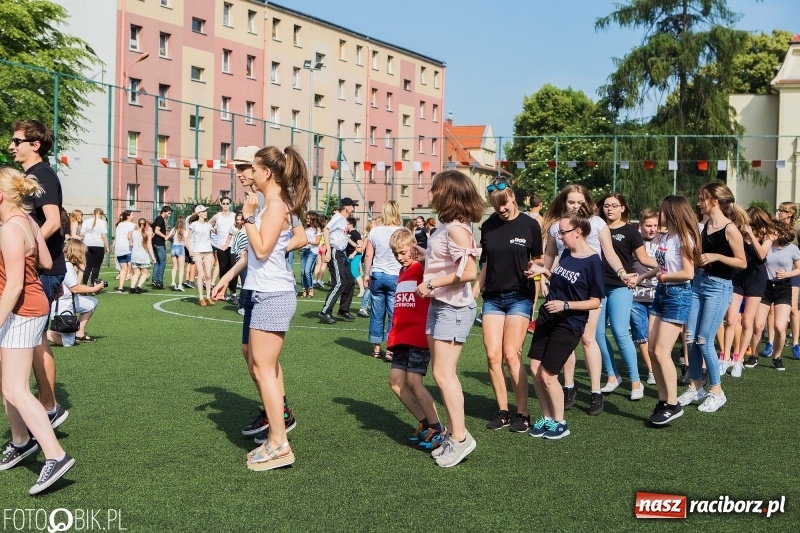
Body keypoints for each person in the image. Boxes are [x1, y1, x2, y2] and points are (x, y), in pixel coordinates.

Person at [215, 145, 309, 471]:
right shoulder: (273, 205)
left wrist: (250, 217)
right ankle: (277, 436)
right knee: (259, 366)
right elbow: (259, 253)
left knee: (263, 369)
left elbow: (264, 248)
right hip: (263, 293)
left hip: (272, 295)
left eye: (252, 169)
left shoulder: (273, 207)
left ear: (266, 173)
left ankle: (280, 443)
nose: (249, 175)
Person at [0, 167, 75, 494]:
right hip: (31, 308)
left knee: (15, 388)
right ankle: (20, 441)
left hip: (21, 311)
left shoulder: (10, 229)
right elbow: (46, 260)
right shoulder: (27, 221)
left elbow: (15, 284)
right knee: (7, 384)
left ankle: (55, 455)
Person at [541, 185, 635, 416]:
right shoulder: (557, 227)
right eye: (570, 202)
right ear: (564, 203)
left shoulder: (597, 223)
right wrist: (543, 276)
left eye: (579, 201)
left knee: (588, 338)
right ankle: (569, 386)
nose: (575, 206)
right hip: (562, 287)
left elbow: (609, 252)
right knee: (564, 338)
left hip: (588, 288)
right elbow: (550, 255)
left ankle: (595, 392)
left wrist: (622, 272)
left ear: (587, 202)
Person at [416, 170, 483, 468]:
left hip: (453, 307)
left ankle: (459, 438)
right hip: (441, 306)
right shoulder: (446, 226)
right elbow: (448, 264)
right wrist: (422, 256)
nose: (430, 194)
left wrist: (431, 283)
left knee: (444, 375)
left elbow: (468, 272)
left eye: (434, 189)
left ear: (448, 193)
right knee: (441, 374)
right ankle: (456, 437)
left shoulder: (457, 228)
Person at [9, 120, 69, 428]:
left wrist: (26, 249)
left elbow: (52, 222)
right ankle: (45, 405)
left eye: (17, 140)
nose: (11, 146)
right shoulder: (30, 176)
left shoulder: (42, 174)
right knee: (34, 340)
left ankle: (48, 406)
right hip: (43, 267)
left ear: (35, 145)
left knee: (31, 340)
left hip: (42, 268)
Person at [525, 205, 604, 439]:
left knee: (549, 375)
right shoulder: (567, 254)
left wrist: (566, 306)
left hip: (569, 323)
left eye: (563, 232)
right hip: (548, 316)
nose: (559, 237)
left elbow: (595, 301)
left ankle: (560, 422)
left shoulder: (593, 262)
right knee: (534, 368)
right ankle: (547, 417)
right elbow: (562, 281)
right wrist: (543, 272)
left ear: (578, 231)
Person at [472, 178, 542, 432]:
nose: (501, 208)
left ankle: (522, 413)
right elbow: (486, 263)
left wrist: (535, 284)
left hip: (519, 296)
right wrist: (475, 289)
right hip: (492, 297)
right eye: (496, 204)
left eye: (504, 203)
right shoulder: (488, 226)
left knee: (512, 355)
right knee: (492, 356)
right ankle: (503, 411)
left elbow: (538, 260)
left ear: (513, 197)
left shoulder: (530, 225)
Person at [678, 183, 746, 414]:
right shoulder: (705, 225)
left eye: (701, 198)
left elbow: (742, 262)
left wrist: (716, 255)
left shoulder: (730, 229)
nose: (698, 203)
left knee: (704, 341)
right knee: (690, 338)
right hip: (699, 283)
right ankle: (696, 386)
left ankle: (717, 392)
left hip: (719, 288)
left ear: (713, 201)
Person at [636, 195, 701, 424]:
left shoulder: (684, 238)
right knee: (652, 350)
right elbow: (661, 267)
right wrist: (642, 277)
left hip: (678, 294)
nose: (659, 213)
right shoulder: (666, 236)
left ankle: (673, 404)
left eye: (662, 210)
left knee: (662, 352)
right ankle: (663, 401)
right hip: (662, 293)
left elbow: (688, 273)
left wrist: (664, 276)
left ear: (672, 211)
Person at [386, 228, 445, 451]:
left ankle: (438, 428)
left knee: (414, 381)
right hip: (401, 336)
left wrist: (426, 256)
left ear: (414, 248)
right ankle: (424, 422)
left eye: (403, 252)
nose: (400, 257)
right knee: (395, 381)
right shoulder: (402, 272)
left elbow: (439, 270)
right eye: (396, 254)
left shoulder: (422, 268)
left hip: (419, 335)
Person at [596, 194, 656, 400]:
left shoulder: (630, 230)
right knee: (597, 336)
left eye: (614, 206)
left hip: (620, 286)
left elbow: (643, 258)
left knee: (621, 332)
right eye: (606, 206)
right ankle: (612, 376)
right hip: (597, 287)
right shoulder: (596, 227)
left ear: (622, 208)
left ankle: (635, 381)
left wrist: (664, 265)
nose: (609, 209)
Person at [722, 207, 772, 376]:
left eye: (749, 219)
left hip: (756, 280)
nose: (746, 222)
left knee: (748, 321)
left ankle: (739, 361)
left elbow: (762, 256)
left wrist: (751, 236)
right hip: (737, 277)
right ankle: (725, 358)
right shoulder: (738, 232)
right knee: (730, 318)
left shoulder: (768, 236)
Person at [750, 219, 800, 372]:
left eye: (772, 230)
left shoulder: (792, 249)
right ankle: (754, 355)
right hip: (764, 287)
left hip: (783, 288)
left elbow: (799, 269)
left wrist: (787, 274)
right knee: (758, 325)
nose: (769, 232)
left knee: (779, 327)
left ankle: (777, 357)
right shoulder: (766, 245)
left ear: (780, 232)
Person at [363, 201, 404, 359]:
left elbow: (368, 255)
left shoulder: (375, 231)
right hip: (396, 275)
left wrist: (367, 274)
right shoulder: (404, 231)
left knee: (376, 313)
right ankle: (390, 349)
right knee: (394, 314)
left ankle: (376, 348)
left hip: (378, 274)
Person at [47, 240, 104, 346]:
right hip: (62, 304)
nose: (85, 256)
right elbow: (75, 289)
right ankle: (40, 334)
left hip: (70, 301)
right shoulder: (67, 266)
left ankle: (80, 333)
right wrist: (94, 289)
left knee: (92, 302)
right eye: (83, 253)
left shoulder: (68, 263)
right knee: (68, 342)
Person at [629, 209, 660, 385]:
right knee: (642, 335)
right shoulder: (634, 240)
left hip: (657, 295)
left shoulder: (663, 240)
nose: (652, 229)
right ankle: (651, 371)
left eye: (655, 225)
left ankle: (659, 366)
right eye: (648, 225)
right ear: (640, 225)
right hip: (636, 295)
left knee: (656, 336)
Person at [319, 198, 359, 324]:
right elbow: (326, 230)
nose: (353, 208)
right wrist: (329, 252)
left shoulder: (343, 220)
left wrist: (355, 244)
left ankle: (343, 309)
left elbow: (344, 236)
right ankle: (326, 311)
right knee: (339, 283)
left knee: (349, 281)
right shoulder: (338, 217)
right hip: (335, 252)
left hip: (342, 253)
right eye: (352, 206)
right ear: (347, 207)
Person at [187, 206, 215, 306]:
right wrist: (190, 249)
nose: (206, 212)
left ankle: (208, 296)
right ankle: (201, 298)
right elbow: (188, 238)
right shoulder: (194, 225)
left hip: (208, 251)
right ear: (199, 213)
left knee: (208, 275)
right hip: (197, 252)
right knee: (201, 274)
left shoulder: (208, 225)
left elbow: (217, 232)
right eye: (203, 211)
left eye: (206, 211)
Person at [210, 197, 236, 300]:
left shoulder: (234, 216)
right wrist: (215, 231)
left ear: (230, 204)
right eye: (224, 203)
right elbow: (209, 225)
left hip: (233, 246)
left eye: (227, 203)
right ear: (221, 204)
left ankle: (233, 293)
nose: (225, 205)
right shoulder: (217, 216)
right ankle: (222, 291)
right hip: (221, 246)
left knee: (233, 269)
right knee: (223, 268)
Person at [80, 208, 109, 285]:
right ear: (101, 215)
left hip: (87, 245)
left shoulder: (86, 221)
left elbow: (82, 234)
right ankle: (93, 285)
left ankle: (84, 284)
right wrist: (107, 247)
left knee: (88, 266)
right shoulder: (103, 222)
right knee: (96, 267)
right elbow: (104, 236)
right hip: (98, 245)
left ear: (93, 213)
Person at [129, 218, 156, 294]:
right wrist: (153, 257)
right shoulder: (147, 233)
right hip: (143, 255)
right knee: (145, 273)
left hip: (134, 255)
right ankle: (138, 287)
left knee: (136, 273)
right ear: (145, 224)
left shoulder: (134, 232)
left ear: (138, 223)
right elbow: (149, 245)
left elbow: (131, 243)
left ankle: (132, 287)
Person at [300, 211, 323, 298]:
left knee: (307, 271)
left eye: (309, 218)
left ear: (314, 219)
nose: (307, 219)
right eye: (307, 218)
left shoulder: (318, 230)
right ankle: (304, 289)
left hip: (312, 252)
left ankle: (310, 289)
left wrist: (307, 242)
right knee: (302, 272)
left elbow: (317, 242)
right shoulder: (305, 228)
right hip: (304, 250)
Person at [150, 205, 172, 289]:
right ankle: (159, 281)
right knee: (162, 262)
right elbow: (156, 230)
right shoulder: (160, 219)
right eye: (168, 213)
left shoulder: (157, 219)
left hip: (154, 243)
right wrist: (165, 236)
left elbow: (152, 229)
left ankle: (155, 280)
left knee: (157, 262)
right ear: (163, 212)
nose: (169, 215)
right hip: (159, 244)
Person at [114, 210, 135, 293]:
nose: (133, 216)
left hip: (119, 249)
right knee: (132, 269)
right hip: (128, 249)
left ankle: (120, 287)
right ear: (128, 216)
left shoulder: (119, 224)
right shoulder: (132, 225)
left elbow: (116, 236)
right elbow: (130, 236)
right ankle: (132, 287)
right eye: (132, 215)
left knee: (123, 269)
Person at [346, 217, 365, 298]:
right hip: (349, 255)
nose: (345, 225)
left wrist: (353, 253)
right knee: (349, 273)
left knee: (354, 272)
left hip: (356, 255)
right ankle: (348, 289)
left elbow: (360, 245)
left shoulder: (355, 233)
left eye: (346, 224)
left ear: (351, 224)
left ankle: (362, 290)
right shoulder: (348, 233)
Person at [166, 215, 186, 291]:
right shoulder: (184, 230)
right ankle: (180, 285)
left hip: (173, 247)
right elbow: (186, 242)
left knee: (174, 267)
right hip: (180, 248)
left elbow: (167, 237)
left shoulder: (174, 229)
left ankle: (173, 282)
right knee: (181, 268)